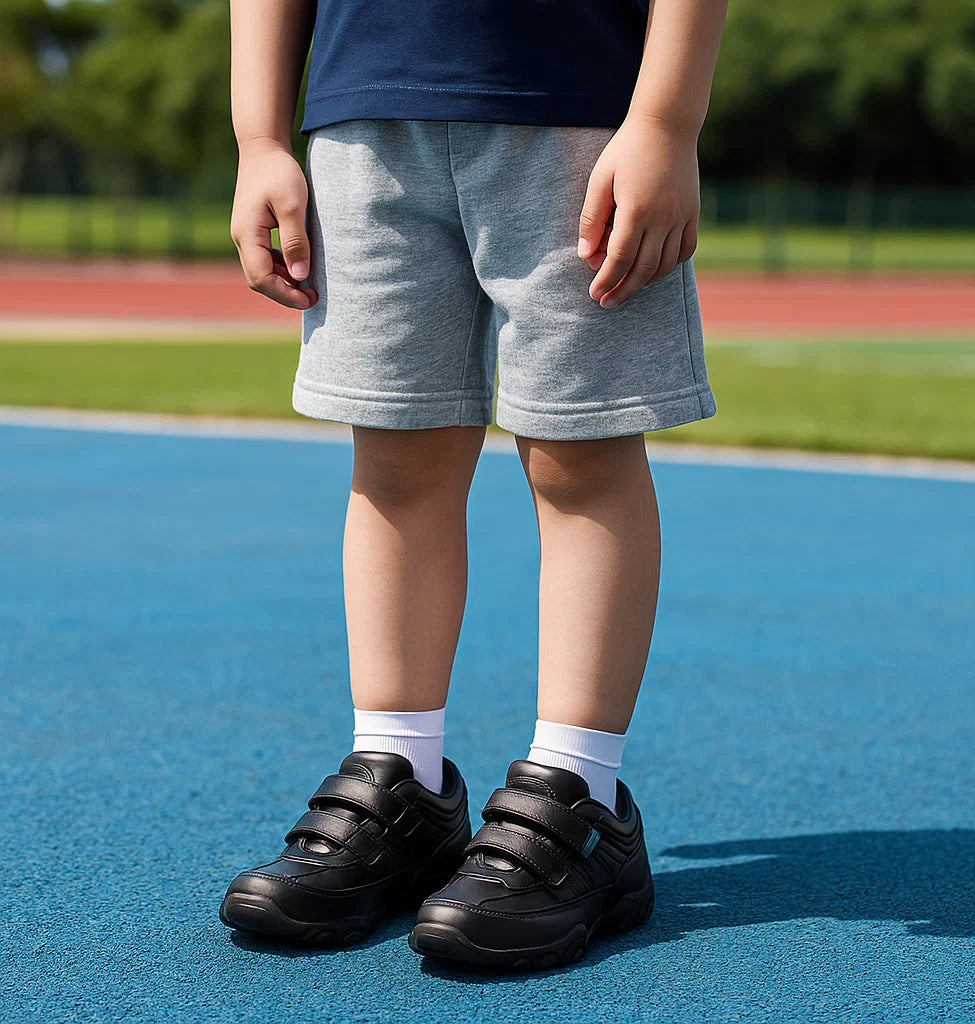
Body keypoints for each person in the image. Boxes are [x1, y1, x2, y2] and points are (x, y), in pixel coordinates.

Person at [221, 0, 728, 970]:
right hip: (362, 119)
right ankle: (399, 780)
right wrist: (256, 133)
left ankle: (580, 802)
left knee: (578, 454)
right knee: (396, 457)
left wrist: (665, 120)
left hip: (581, 114)